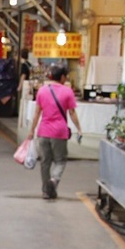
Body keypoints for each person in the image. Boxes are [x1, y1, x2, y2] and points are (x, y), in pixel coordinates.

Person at [26, 64, 83, 200]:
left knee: (45, 162)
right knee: (60, 160)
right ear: (62, 77)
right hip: (59, 132)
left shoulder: (42, 91)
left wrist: (32, 130)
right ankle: (53, 181)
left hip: (43, 131)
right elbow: (72, 113)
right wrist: (79, 129)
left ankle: (46, 191)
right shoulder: (67, 91)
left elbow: (37, 113)